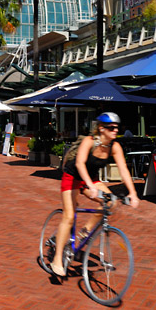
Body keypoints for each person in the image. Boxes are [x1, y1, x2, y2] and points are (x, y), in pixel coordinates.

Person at [49, 112, 140, 277]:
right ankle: (56, 259)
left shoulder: (115, 146)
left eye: (117, 127)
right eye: (111, 127)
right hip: (72, 178)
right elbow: (80, 163)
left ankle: (86, 230)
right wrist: (90, 185)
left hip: (91, 180)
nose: (115, 130)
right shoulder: (88, 142)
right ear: (101, 129)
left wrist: (133, 193)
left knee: (111, 202)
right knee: (69, 216)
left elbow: (124, 170)